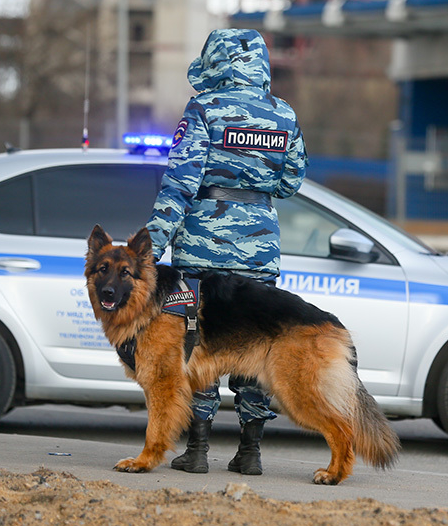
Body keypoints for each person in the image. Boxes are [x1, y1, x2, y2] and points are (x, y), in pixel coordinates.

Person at [145, 28, 307, 476]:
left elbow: (179, 183)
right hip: (259, 252)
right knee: (254, 345)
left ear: (213, 62)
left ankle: (197, 451)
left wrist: (150, 249)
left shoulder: (204, 109)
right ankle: (250, 453)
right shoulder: (283, 114)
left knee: (199, 345)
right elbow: (291, 182)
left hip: (200, 251)